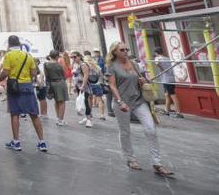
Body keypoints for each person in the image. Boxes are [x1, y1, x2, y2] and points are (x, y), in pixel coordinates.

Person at [106, 42, 173, 177]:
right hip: (122, 103)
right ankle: (130, 158)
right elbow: (112, 86)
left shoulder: (134, 64)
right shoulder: (112, 67)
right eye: (122, 50)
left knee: (151, 129)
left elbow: (142, 78)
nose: (125, 51)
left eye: (127, 49)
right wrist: (120, 101)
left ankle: (157, 163)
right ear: (115, 52)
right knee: (125, 131)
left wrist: (143, 81)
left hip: (138, 101)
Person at [0, 35, 47, 152]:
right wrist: (27, 79)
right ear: (19, 44)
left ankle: (16, 142)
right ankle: (42, 142)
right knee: (34, 114)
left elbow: (5, 72)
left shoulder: (8, 55)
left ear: (9, 45)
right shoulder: (28, 55)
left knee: (15, 114)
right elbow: (34, 73)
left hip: (14, 87)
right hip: (27, 86)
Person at [154, 47, 183, 118]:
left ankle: (178, 112)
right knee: (167, 94)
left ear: (156, 53)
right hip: (170, 78)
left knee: (173, 95)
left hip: (167, 79)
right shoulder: (167, 58)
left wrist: (161, 68)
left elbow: (157, 63)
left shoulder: (158, 58)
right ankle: (167, 110)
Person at [44, 50, 68, 126]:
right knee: (62, 102)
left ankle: (58, 117)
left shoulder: (46, 64)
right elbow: (65, 74)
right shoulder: (60, 64)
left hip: (51, 83)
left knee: (56, 101)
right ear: (57, 56)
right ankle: (61, 120)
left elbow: (46, 75)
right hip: (60, 83)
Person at [71, 51, 94, 128]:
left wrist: (83, 86)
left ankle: (89, 120)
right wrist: (74, 86)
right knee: (82, 102)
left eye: (75, 57)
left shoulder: (83, 64)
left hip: (84, 86)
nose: (73, 58)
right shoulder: (75, 65)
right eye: (72, 57)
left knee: (86, 102)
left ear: (79, 56)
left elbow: (86, 75)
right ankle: (87, 117)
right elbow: (75, 77)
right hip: (78, 86)